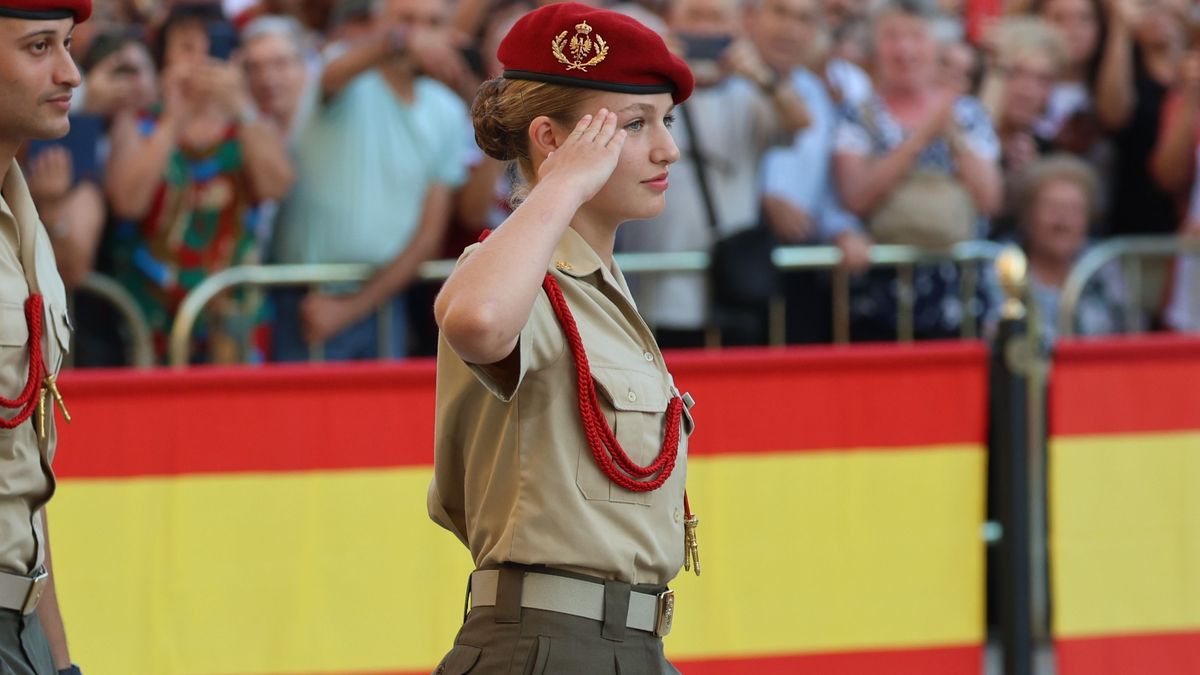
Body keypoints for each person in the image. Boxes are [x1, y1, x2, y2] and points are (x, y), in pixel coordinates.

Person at [428, 4, 698, 671]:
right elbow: (479, 321)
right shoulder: (517, 276)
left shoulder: (600, 285)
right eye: (635, 125)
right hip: (548, 644)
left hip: (627, 643)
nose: (667, 147)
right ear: (550, 139)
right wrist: (565, 183)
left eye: (667, 120)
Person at [270, 0, 474, 362]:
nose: (418, 33)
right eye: (406, 21)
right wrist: (398, 42)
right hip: (302, 299)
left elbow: (427, 239)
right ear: (380, 23)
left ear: (450, 33)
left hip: (380, 305)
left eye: (431, 22)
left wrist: (350, 308)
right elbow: (333, 73)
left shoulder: (447, 110)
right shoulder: (346, 71)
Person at [105, 1, 295, 363]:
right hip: (154, 319)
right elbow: (128, 202)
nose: (201, 59)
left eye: (211, 46)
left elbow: (277, 186)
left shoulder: (251, 120)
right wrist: (174, 120)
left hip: (235, 321)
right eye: (187, 48)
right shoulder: (139, 120)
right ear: (165, 57)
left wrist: (241, 108)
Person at [0, 1, 87, 673]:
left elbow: (26, 475)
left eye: (67, 44)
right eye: (38, 47)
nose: (70, 72)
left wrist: (59, 664)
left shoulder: (23, 216)